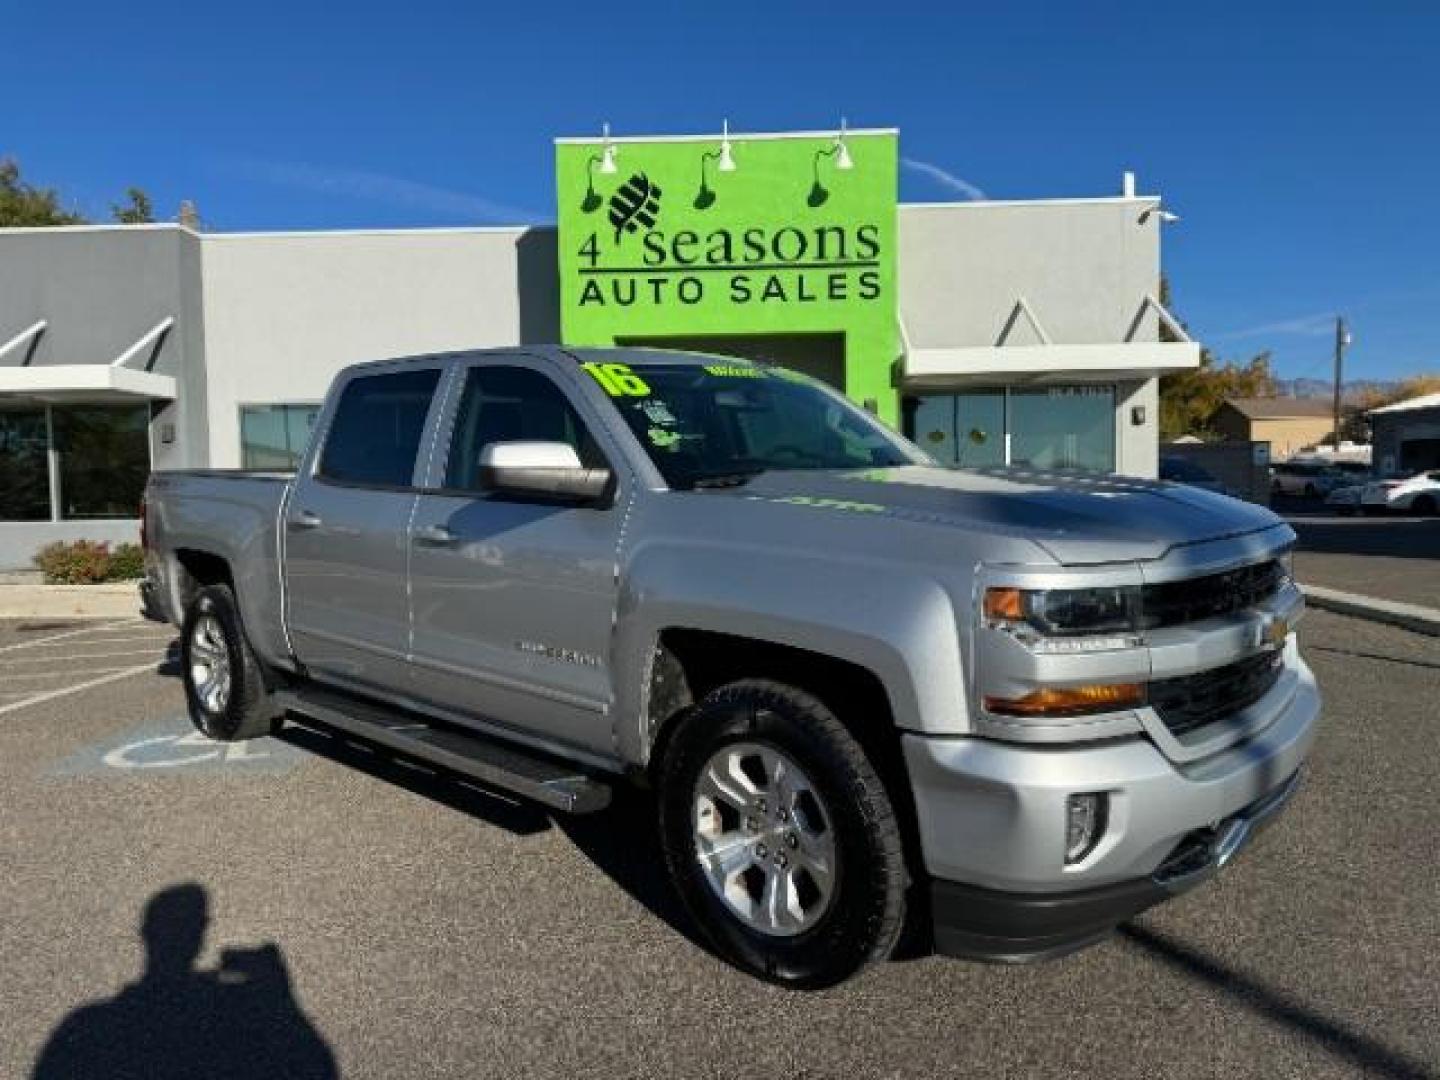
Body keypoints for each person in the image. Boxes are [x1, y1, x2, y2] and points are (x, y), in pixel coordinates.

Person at [33, 883, 336, 1080]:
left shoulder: (90, 1027)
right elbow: (315, 1069)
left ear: (145, 934)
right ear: (200, 936)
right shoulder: (236, 1020)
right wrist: (280, 1001)